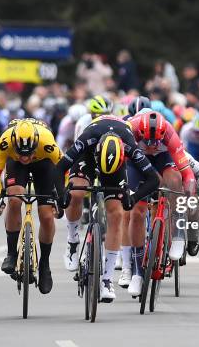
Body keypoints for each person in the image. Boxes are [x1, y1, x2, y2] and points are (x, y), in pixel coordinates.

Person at [54, 114, 160, 301]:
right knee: (76, 193)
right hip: (88, 155)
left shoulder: (129, 146)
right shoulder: (87, 138)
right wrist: (62, 194)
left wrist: (133, 198)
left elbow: (153, 179)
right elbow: (58, 168)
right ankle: (72, 242)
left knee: (117, 214)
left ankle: (107, 279)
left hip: (115, 166)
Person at [123, 110, 196, 296]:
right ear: (141, 134)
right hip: (136, 163)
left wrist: (189, 196)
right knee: (136, 212)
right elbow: (120, 166)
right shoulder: (130, 130)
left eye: (156, 142)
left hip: (165, 161)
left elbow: (187, 174)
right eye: (147, 141)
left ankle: (178, 234)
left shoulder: (171, 134)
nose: (152, 146)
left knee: (174, 181)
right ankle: (138, 274)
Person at [0, 118, 61, 295]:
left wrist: (61, 195)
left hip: (44, 164)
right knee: (14, 199)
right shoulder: (5, 142)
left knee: (46, 215)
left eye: (29, 154)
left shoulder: (47, 142)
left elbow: (64, 170)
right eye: (21, 153)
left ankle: (44, 264)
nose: (26, 158)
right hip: (15, 167)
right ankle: (12, 254)